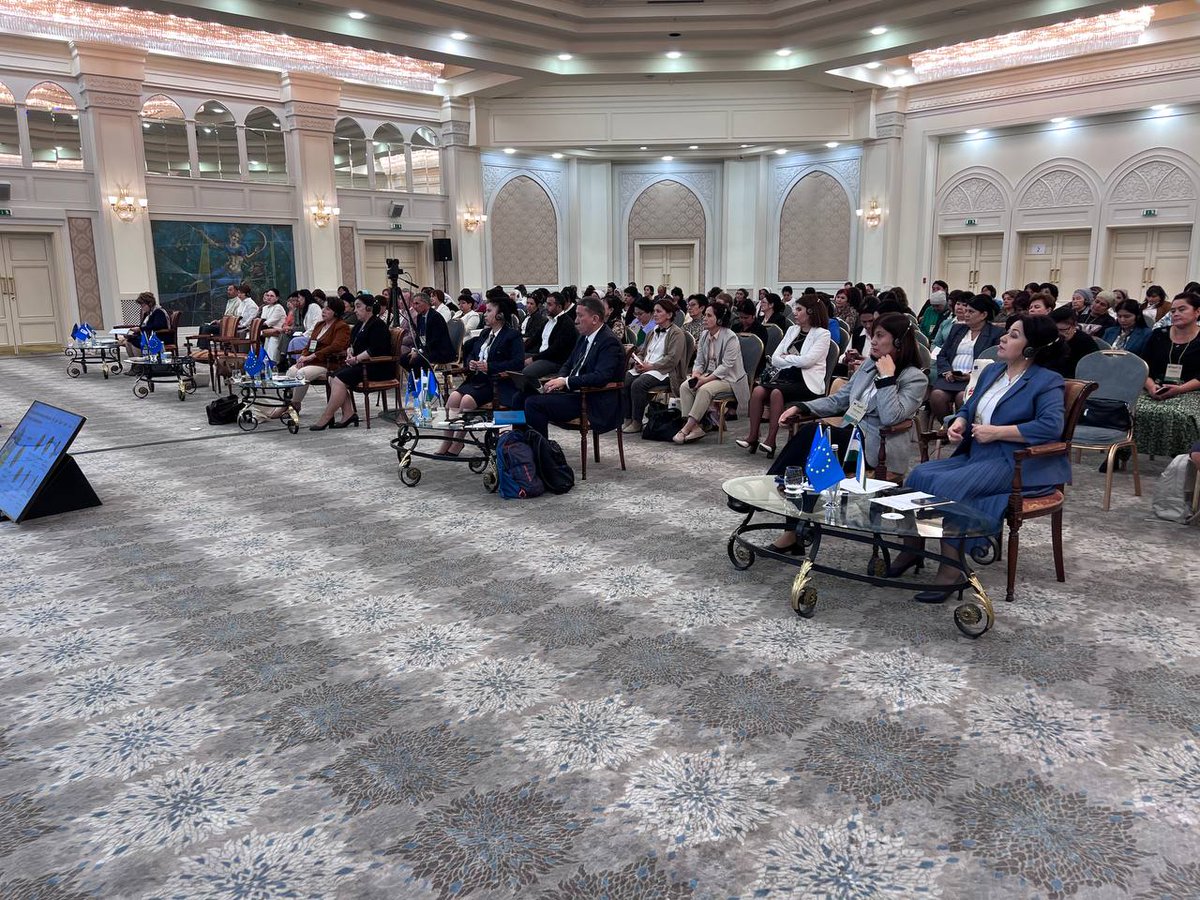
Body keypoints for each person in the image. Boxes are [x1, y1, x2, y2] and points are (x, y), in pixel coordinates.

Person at [897, 315, 1068, 601]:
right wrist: (959, 422)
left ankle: (951, 569)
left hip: (1015, 462)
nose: (1002, 338)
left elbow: (1052, 427)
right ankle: (911, 550)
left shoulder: (1047, 381)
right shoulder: (993, 373)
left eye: (1013, 335)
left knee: (948, 487)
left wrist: (999, 432)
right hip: (979, 454)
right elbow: (970, 408)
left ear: (1031, 348)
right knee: (919, 475)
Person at [766, 313, 928, 552]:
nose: (872, 340)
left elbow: (891, 417)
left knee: (817, 436)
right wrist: (802, 406)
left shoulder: (914, 378)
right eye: (873, 334)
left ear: (898, 342)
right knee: (813, 448)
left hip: (877, 445)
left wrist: (887, 378)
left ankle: (776, 495)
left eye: (880, 336)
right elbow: (840, 400)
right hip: (849, 434)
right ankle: (794, 526)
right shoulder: (868, 365)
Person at [737, 294, 833, 458]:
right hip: (787, 377)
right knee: (758, 390)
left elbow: (808, 361)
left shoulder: (822, 334)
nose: (794, 313)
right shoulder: (792, 330)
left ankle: (771, 441)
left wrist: (786, 358)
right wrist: (790, 359)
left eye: (799, 309)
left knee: (776, 392)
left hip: (807, 383)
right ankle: (753, 436)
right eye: (795, 308)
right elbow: (775, 357)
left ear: (810, 312)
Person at [523, 296, 626, 439]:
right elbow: (569, 363)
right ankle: (523, 448)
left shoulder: (609, 342)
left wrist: (566, 382)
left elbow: (601, 377)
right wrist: (559, 379)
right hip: (576, 393)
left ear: (595, 319)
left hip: (592, 400)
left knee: (533, 404)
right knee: (521, 396)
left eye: (580, 316)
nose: (576, 320)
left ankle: (541, 453)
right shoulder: (584, 337)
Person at [436, 296, 525, 456]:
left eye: (489, 311)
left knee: (466, 400)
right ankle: (447, 440)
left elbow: (517, 364)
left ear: (500, 315)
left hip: (497, 382)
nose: (485, 314)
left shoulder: (512, 336)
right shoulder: (485, 333)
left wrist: (490, 366)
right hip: (477, 379)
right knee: (452, 399)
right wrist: (471, 363)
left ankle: (459, 442)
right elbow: (472, 353)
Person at [308, 296, 392, 430]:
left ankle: (326, 416)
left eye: (359, 306)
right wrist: (349, 351)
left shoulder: (377, 324)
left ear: (369, 308)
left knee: (339, 379)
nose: (355, 310)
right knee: (332, 376)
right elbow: (352, 343)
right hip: (361, 364)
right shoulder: (360, 324)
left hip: (376, 366)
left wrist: (357, 358)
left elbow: (375, 349)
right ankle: (348, 414)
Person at [1134, 292, 1200, 458]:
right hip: (1155, 386)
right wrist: (1150, 387)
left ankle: (1184, 459)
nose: (1176, 314)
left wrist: (1179, 389)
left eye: (1182, 309)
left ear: (1197, 312)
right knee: (1132, 410)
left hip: (1190, 390)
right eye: (1173, 311)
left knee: (1180, 415)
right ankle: (1122, 452)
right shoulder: (1158, 335)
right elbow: (1143, 366)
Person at [671, 302, 748, 443]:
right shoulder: (705, 334)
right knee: (685, 386)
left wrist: (705, 380)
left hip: (730, 379)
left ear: (719, 319)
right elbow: (699, 360)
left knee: (704, 390)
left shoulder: (730, 337)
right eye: (705, 315)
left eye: (709, 315)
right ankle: (695, 428)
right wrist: (696, 374)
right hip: (709, 376)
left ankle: (687, 428)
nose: (705, 318)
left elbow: (726, 366)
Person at [268, 297, 351, 419]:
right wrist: (303, 356)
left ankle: (292, 405)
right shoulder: (319, 325)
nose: (323, 311)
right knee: (291, 371)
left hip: (328, 363)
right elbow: (309, 344)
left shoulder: (341, 326)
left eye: (328, 309)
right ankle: (290, 403)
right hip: (313, 361)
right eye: (323, 308)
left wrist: (312, 356)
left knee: (301, 373)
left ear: (336, 312)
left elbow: (336, 347)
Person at [929, 294, 1005, 421]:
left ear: (983, 315)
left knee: (962, 397)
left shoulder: (996, 333)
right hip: (951, 377)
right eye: (966, 310)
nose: (966, 314)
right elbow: (942, 354)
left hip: (975, 379)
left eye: (971, 311)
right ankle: (948, 428)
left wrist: (972, 375)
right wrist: (946, 371)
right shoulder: (957, 329)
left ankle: (964, 431)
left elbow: (994, 361)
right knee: (936, 396)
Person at [621, 298, 686, 434]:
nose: (655, 314)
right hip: (648, 367)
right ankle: (628, 418)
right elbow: (644, 351)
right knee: (626, 378)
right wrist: (639, 361)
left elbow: (672, 359)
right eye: (654, 311)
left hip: (666, 371)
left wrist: (651, 367)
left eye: (659, 311)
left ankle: (637, 421)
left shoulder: (676, 333)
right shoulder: (653, 331)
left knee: (638, 384)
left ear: (669, 315)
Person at [524, 291, 577, 379]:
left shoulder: (566, 324)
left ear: (559, 306)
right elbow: (534, 340)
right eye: (546, 304)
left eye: (549, 304)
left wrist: (533, 359)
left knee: (528, 372)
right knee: (515, 360)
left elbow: (555, 350)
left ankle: (536, 391)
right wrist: (520, 350)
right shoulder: (548, 321)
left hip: (555, 361)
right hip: (542, 356)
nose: (546, 307)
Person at [402, 292, 454, 375]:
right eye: (413, 304)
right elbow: (418, 337)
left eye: (417, 303)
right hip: (425, 349)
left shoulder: (435, 317)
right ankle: (418, 378)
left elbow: (435, 340)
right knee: (403, 359)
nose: (414, 306)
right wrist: (414, 350)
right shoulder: (420, 316)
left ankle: (425, 379)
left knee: (417, 360)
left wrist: (419, 352)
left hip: (439, 350)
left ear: (426, 303)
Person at [1049, 306, 1099, 377]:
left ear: (1074, 325)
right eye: (1054, 330)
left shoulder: (1085, 342)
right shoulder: (1050, 339)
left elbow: (1092, 369)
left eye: (1063, 330)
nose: (1058, 334)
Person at [118, 291, 170, 356]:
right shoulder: (147, 314)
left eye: (143, 305)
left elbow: (158, 325)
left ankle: (141, 362)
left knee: (135, 342)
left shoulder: (158, 312)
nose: (142, 308)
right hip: (148, 336)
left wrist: (140, 329)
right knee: (128, 342)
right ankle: (134, 363)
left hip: (159, 337)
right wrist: (132, 334)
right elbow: (143, 327)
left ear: (150, 304)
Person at [836, 300, 878, 377]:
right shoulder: (858, 333)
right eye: (864, 322)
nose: (868, 326)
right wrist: (847, 358)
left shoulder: (885, 336)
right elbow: (841, 358)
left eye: (871, 321)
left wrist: (860, 358)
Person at [197, 284, 240, 349]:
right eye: (228, 290)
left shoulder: (238, 302)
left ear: (237, 291)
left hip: (228, 326)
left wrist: (220, 322)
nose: (228, 292)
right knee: (202, 327)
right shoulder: (229, 301)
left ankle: (205, 350)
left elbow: (233, 317)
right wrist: (218, 321)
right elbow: (226, 316)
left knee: (206, 329)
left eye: (230, 290)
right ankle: (202, 349)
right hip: (223, 323)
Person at [258, 287, 287, 363]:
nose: (269, 298)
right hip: (267, 332)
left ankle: (273, 364)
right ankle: (266, 366)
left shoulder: (278, 307)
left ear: (277, 298)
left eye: (271, 296)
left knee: (272, 343)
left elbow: (269, 322)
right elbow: (263, 320)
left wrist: (259, 323)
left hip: (277, 333)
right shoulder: (265, 308)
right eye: (267, 295)